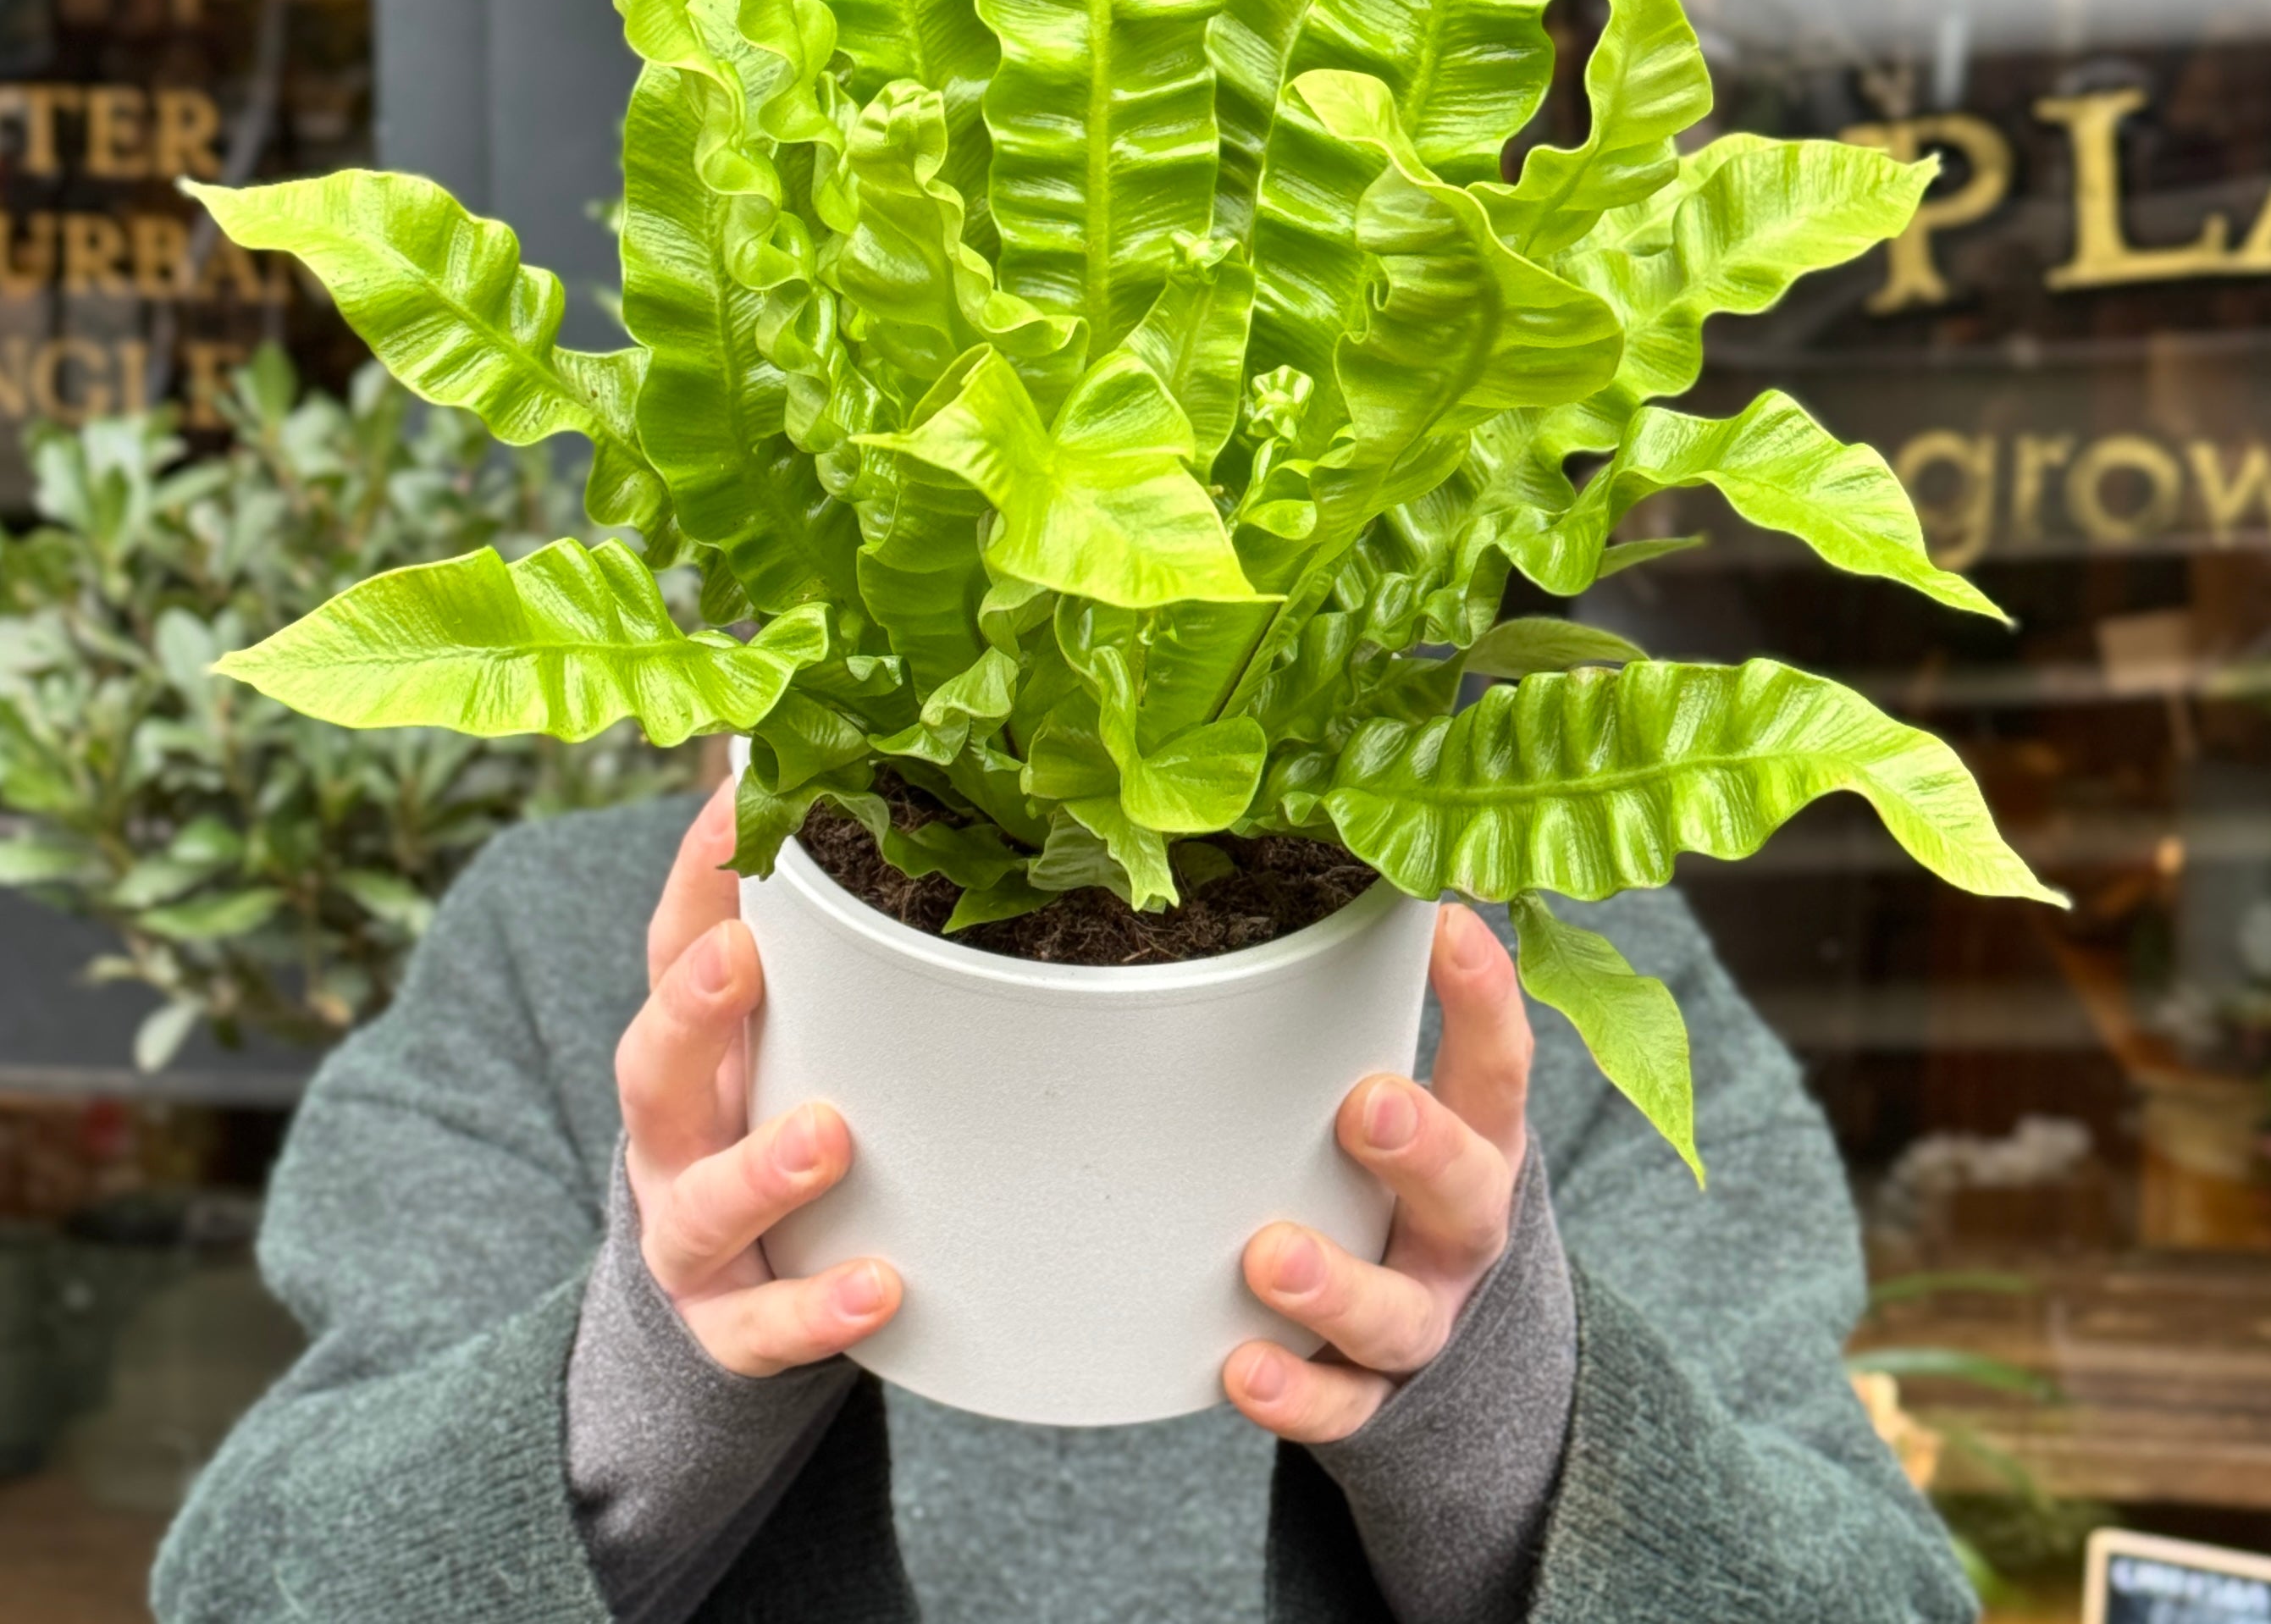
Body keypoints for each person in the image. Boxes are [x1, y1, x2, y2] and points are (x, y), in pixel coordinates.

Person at [152, 783, 1975, 1624]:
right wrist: (655, 1376)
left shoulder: (1549, 968)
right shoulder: (563, 955)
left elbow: (1874, 1604)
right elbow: (255, 1583)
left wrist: (1494, 1403)